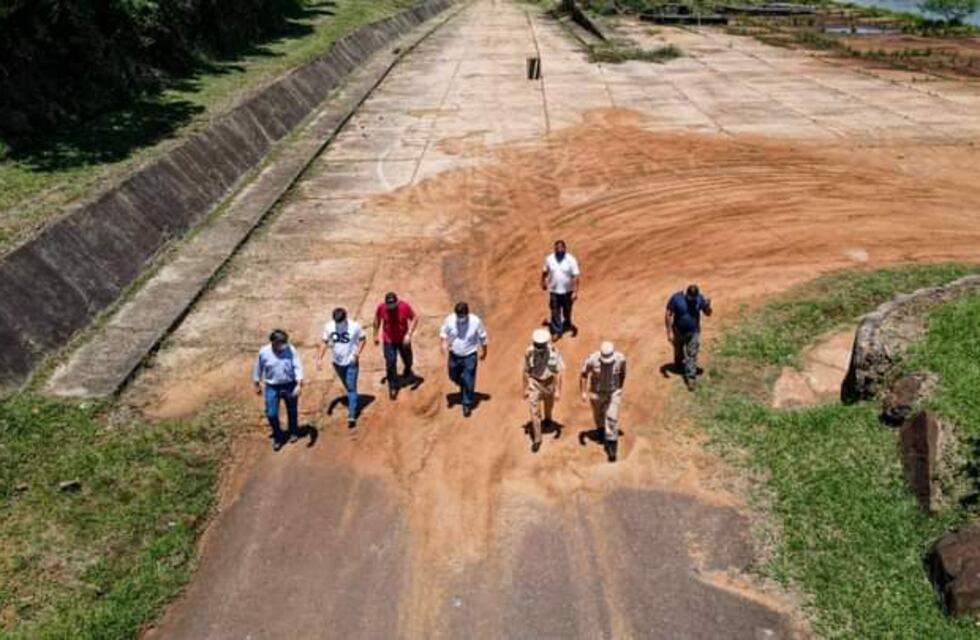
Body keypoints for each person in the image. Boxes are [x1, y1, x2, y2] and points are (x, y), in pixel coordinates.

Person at [252, 329, 304, 451]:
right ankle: (278, 435)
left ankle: (293, 431)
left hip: (289, 385)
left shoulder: (290, 349)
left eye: (285, 343)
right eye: (281, 343)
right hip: (272, 387)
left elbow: (297, 366)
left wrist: (299, 384)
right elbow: (258, 368)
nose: (283, 346)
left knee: (292, 410)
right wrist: (256, 384)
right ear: (273, 342)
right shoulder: (264, 352)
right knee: (271, 414)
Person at [317, 307, 366, 429]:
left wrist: (357, 354)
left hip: (351, 362)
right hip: (337, 362)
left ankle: (352, 414)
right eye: (337, 322)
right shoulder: (329, 327)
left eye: (341, 321)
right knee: (347, 385)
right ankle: (354, 399)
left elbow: (362, 339)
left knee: (351, 387)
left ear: (345, 318)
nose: (339, 324)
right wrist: (319, 358)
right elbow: (324, 342)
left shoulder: (354, 326)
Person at [580, 341, 626, 463]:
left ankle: (611, 447)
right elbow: (584, 374)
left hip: (612, 393)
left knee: (612, 418)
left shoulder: (620, 359)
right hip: (596, 393)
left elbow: (623, 373)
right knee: (598, 415)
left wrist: (620, 388)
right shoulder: (592, 359)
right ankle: (601, 431)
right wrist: (583, 392)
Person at [439, 301, 488, 417]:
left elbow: (483, 337)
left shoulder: (475, 321)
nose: (460, 318)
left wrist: (484, 352)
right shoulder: (450, 320)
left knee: (469, 379)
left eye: (462, 316)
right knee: (453, 375)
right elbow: (443, 333)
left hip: (470, 355)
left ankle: (467, 403)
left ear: (467, 313)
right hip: (454, 355)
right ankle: (463, 384)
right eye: (458, 316)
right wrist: (443, 344)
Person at [522, 328, 564, 453]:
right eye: (537, 345)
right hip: (534, 383)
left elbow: (558, 372)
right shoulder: (529, 352)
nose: (538, 347)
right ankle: (537, 439)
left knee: (548, 405)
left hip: (549, 382)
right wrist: (525, 388)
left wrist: (558, 390)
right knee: (534, 412)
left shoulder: (554, 352)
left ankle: (548, 419)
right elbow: (525, 371)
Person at [665, 284, 712, 391]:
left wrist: (707, 307)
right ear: (686, 295)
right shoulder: (677, 299)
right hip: (678, 331)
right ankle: (678, 364)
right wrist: (669, 332)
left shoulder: (699, 299)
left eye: (694, 298)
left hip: (693, 332)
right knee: (678, 351)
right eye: (690, 298)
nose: (692, 301)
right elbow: (668, 314)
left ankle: (691, 378)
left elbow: (708, 313)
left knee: (692, 354)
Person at [373, 291, 419, 400]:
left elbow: (415, 318)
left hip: (403, 339)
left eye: (393, 304)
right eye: (389, 305)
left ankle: (407, 369)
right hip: (388, 339)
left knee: (408, 359)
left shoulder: (404, 307)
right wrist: (375, 334)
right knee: (390, 361)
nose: (391, 307)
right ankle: (392, 386)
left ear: (397, 302)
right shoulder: (381, 308)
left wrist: (409, 334)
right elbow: (377, 320)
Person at [540, 240, 581, 340]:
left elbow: (576, 276)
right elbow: (545, 271)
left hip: (568, 291)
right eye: (557, 248)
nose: (559, 250)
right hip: (554, 291)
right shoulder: (549, 259)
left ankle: (567, 322)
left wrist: (575, 292)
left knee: (567, 310)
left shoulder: (571, 260)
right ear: (554, 249)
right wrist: (543, 282)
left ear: (565, 248)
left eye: (561, 247)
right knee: (555, 311)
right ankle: (557, 331)